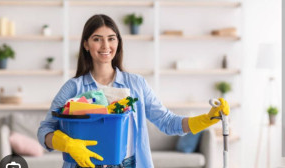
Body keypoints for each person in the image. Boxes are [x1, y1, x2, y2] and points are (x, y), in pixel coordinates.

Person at [37, 14, 230, 168]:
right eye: (97, 39)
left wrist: (207, 119)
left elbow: (167, 122)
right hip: (83, 165)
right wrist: (68, 144)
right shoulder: (74, 88)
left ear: (118, 43)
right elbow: (45, 130)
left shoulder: (136, 84)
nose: (105, 46)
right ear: (86, 44)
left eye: (111, 39)